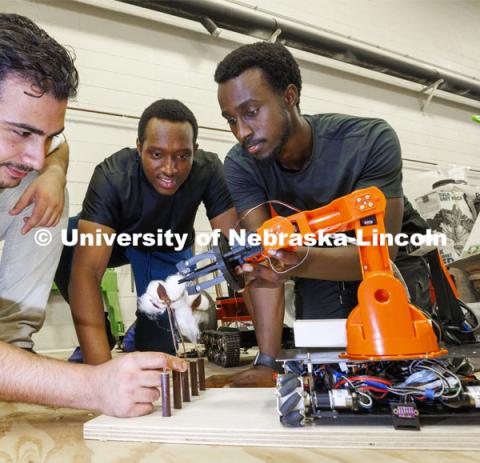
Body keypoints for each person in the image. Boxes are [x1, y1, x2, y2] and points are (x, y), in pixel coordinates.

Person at [212, 41, 431, 387]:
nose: (242, 132)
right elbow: (268, 259)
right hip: (315, 263)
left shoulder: (369, 141)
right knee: (326, 367)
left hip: (389, 264)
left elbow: (380, 254)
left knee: (405, 368)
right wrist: (267, 362)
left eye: (252, 112)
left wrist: (294, 262)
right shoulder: (241, 163)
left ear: (289, 97)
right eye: (231, 120)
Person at [0, 13, 186, 416]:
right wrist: (93, 384)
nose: (35, 157)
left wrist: (54, 170)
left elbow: (55, 149)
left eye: (46, 137)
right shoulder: (114, 178)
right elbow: (84, 273)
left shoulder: (34, 158)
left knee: (46, 193)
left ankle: (13, 349)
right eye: (21, 132)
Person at [55, 99, 237, 365]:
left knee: (156, 352)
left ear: (194, 151)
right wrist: (101, 371)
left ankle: (141, 331)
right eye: (156, 154)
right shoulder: (112, 176)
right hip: (115, 237)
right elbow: (88, 272)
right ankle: (99, 337)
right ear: (139, 148)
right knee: (62, 241)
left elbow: (236, 249)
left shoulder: (208, 171)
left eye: (182, 156)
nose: (169, 169)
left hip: (165, 246)